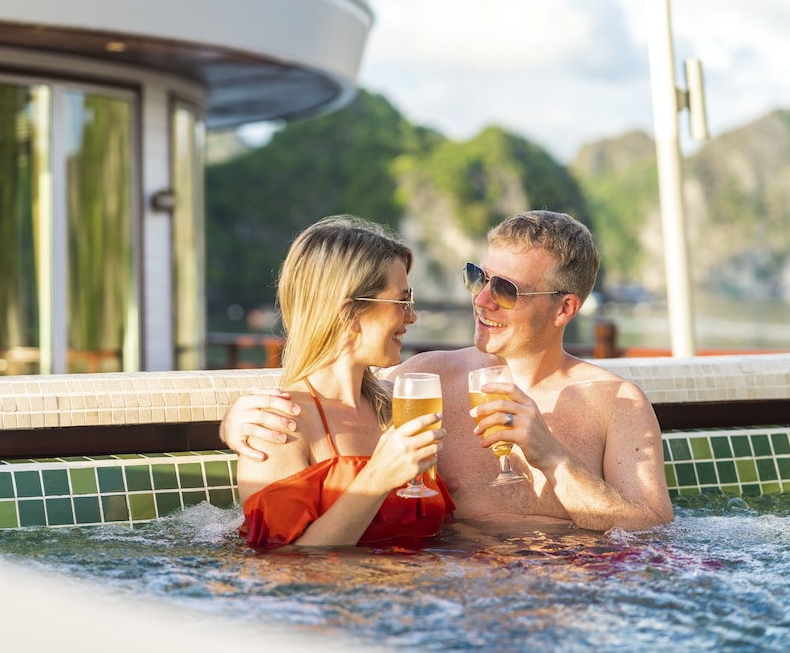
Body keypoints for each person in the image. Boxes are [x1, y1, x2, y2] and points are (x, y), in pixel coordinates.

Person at [222, 210, 673, 533]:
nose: (481, 299)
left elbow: (652, 531)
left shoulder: (613, 401)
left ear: (565, 308)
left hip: (565, 597)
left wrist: (551, 456)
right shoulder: (426, 380)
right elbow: (331, 396)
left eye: (506, 289)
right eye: (479, 277)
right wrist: (233, 420)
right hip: (446, 597)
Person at [237, 215, 454, 549]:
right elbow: (279, 571)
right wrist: (378, 477)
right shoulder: (279, 428)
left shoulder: (400, 408)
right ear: (350, 313)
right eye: (402, 301)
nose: (412, 316)